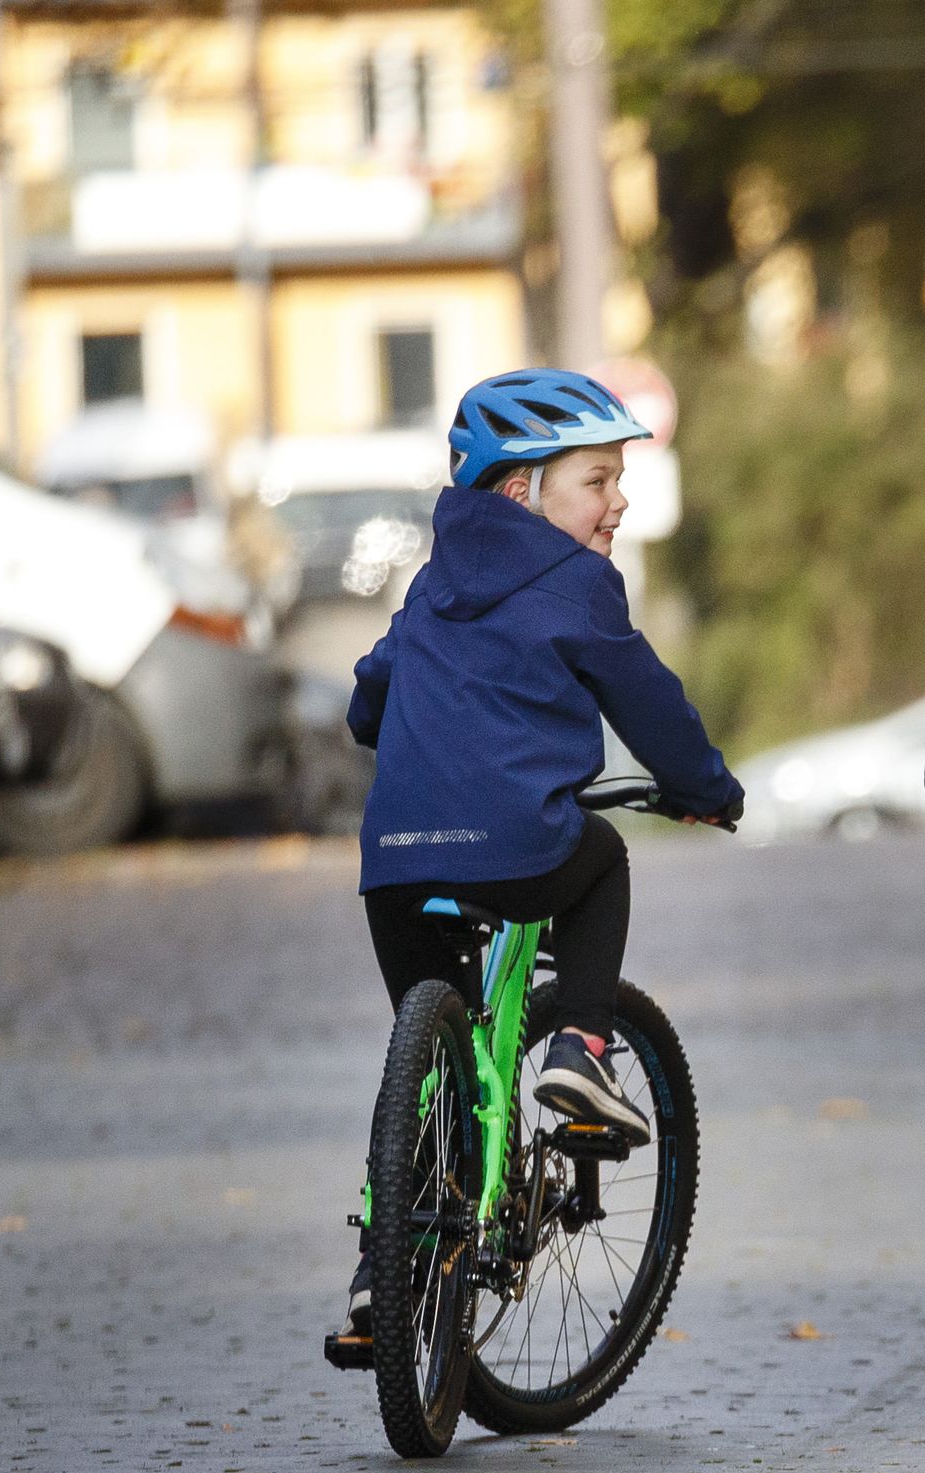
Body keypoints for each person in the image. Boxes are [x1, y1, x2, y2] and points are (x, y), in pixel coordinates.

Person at [323, 367, 743, 1367]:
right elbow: (649, 702)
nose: (618, 500)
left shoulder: (432, 585)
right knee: (601, 860)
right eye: (596, 480)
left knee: (433, 1056)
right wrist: (705, 787)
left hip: (394, 862)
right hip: (521, 849)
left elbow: (368, 701)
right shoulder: (580, 585)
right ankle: (581, 1054)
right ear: (522, 493)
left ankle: (387, 1264)